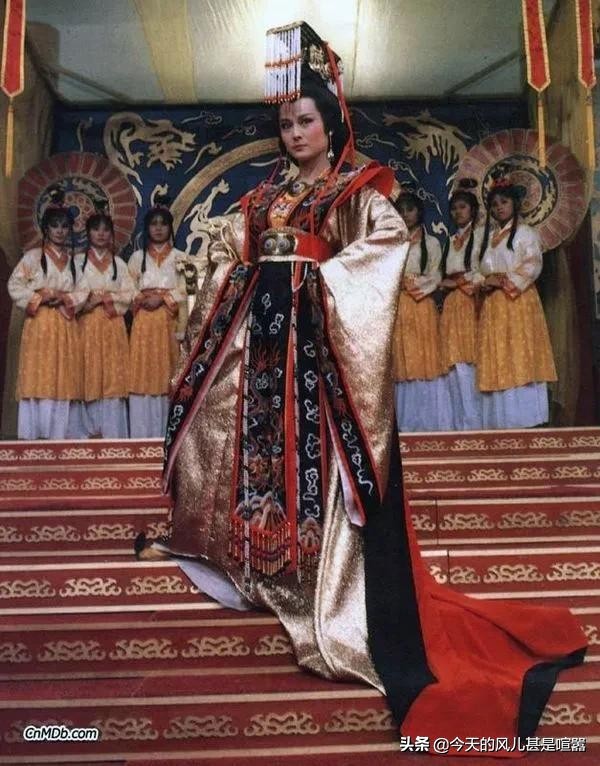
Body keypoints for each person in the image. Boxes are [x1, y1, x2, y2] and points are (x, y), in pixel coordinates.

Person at [137, 22, 585, 754]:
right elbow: (227, 253)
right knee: (234, 447)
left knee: (316, 469)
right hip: (262, 356)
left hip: (319, 362)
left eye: (305, 121)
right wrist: (236, 269)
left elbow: (383, 251)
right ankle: (253, 562)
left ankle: (323, 586)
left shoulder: (360, 189)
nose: (294, 134)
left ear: (330, 122)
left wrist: (314, 279)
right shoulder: (264, 196)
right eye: (286, 123)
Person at [8, 187, 89, 439]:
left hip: (64, 323)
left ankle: (59, 435)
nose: (60, 231)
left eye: (64, 226)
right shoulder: (33, 257)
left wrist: (64, 297)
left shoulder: (73, 263)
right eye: (55, 226)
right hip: (40, 322)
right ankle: (35, 434)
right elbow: (14, 285)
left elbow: (84, 290)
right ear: (46, 229)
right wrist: (39, 297)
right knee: (40, 373)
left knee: (62, 375)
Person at [476, 173, 557, 428]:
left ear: (515, 204)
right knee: (499, 353)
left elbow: (532, 265)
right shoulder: (490, 237)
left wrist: (502, 281)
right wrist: (483, 281)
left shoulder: (525, 233)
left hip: (517, 300)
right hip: (494, 304)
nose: (499, 208)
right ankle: (501, 420)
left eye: (504, 202)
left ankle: (526, 418)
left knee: (519, 352)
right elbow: (481, 270)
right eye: (495, 204)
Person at [392, 190, 453, 431]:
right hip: (398, 305)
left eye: (410, 209)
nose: (406, 215)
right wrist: (399, 284)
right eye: (401, 211)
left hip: (421, 303)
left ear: (419, 212)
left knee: (425, 357)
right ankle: (405, 423)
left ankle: (430, 422)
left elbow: (437, 274)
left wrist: (414, 285)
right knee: (401, 359)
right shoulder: (390, 243)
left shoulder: (432, 243)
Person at [128, 199, 186, 438]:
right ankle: (141, 435)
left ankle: (166, 435)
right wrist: (141, 298)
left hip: (168, 320)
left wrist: (164, 298)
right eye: (154, 224)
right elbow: (127, 287)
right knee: (142, 371)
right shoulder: (137, 258)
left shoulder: (180, 257)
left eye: (163, 224)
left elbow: (188, 289)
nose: (159, 228)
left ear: (170, 228)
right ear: (147, 228)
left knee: (167, 370)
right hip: (143, 320)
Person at [75, 209, 134, 438]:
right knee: (87, 373)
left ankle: (113, 435)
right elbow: (69, 292)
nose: (101, 234)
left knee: (112, 377)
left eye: (105, 230)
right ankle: (84, 435)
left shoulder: (119, 264)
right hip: (86, 324)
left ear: (111, 234)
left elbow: (129, 294)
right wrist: (85, 302)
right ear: (88, 232)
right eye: (95, 229)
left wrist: (104, 298)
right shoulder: (77, 263)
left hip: (112, 324)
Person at [439, 179, 483, 429]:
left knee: (471, 359)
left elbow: (483, 270)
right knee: (455, 362)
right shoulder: (451, 240)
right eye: (454, 208)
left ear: (473, 210)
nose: (458, 212)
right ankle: (460, 424)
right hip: (453, 302)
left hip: (470, 298)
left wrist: (458, 282)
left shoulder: (481, 237)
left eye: (463, 207)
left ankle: (475, 423)